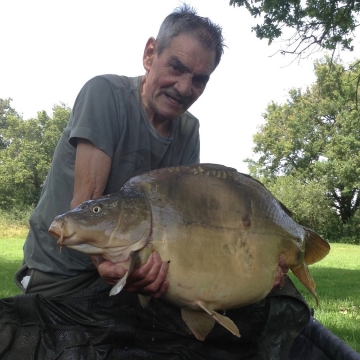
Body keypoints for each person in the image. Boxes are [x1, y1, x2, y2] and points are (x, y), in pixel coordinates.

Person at [10, 5, 309, 359]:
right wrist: (113, 269)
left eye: (200, 79)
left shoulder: (188, 130)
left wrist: (252, 272)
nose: (185, 87)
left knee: (279, 301)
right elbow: (85, 206)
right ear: (150, 54)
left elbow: (187, 225)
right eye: (177, 67)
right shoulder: (104, 94)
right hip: (65, 279)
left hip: (137, 279)